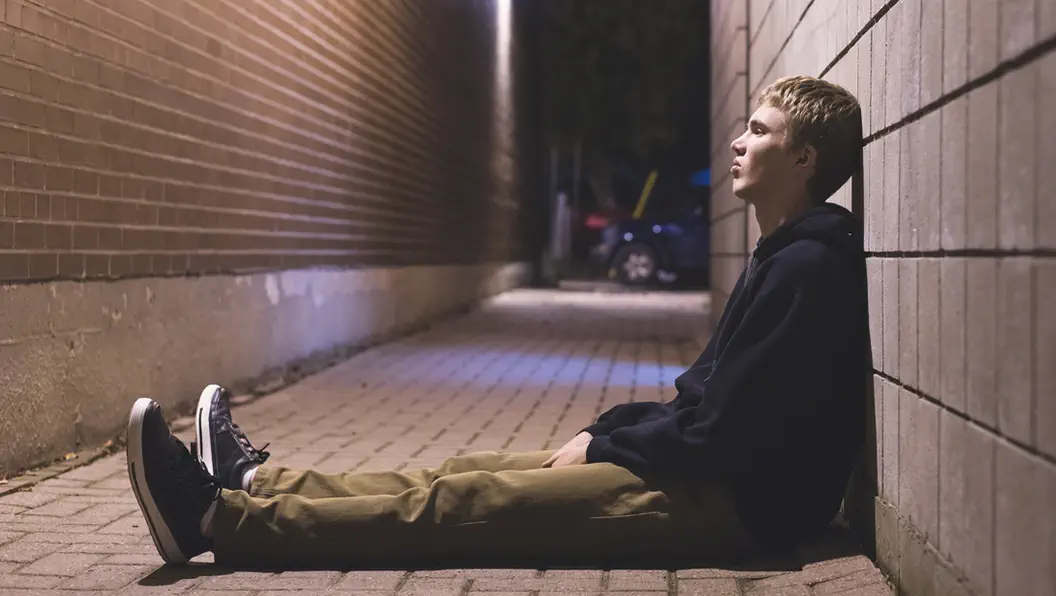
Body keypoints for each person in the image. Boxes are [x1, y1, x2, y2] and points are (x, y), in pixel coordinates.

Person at [125, 75, 869, 568]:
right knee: (464, 471)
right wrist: (606, 432)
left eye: (760, 132)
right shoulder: (781, 254)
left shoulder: (808, 269)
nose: (738, 142)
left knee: (466, 505)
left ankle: (218, 525)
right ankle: (259, 480)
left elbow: (722, 432)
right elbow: (703, 400)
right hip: (704, 471)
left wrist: (612, 444)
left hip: (735, 504)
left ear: (803, 158)